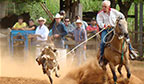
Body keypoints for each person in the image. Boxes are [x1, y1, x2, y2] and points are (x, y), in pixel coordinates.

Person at [96, 0, 138, 65]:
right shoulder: (100, 14)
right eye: (103, 6)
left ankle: (131, 50)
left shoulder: (113, 11)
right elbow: (99, 22)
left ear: (108, 6)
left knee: (126, 36)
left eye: (105, 6)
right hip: (105, 30)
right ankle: (101, 57)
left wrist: (120, 20)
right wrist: (105, 26)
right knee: (103, 42)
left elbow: (122, 16)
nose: (103, 8)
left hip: (114, 29)